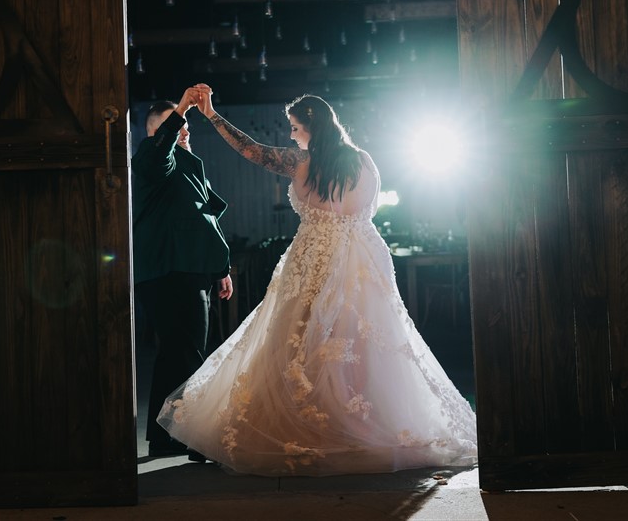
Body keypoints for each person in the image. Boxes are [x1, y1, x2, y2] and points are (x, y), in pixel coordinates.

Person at [157, 87, 478, 476]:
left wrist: (211, 115)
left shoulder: (300, 163)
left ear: (311, 127)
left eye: (294, 127)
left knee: (300, 337)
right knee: (364, 338)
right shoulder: (364, 162)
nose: (291, 135)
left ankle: (314, 421)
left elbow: (251, 150)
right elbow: (368, 212)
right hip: (362, 259)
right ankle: (363, 418)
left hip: (313, 257)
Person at [132, 89, 233, 459]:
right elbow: (161, 151)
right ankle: (194, 437)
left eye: (186, 126)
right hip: (168, 269)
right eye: (175, 126)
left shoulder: (188, 165)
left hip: (189, 268)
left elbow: (204, 221)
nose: (184, 130)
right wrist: (182, 108)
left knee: (175, 354)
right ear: (155, 134)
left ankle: (164, 436)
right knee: (188, 353)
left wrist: (221, 268)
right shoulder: (151, 157)